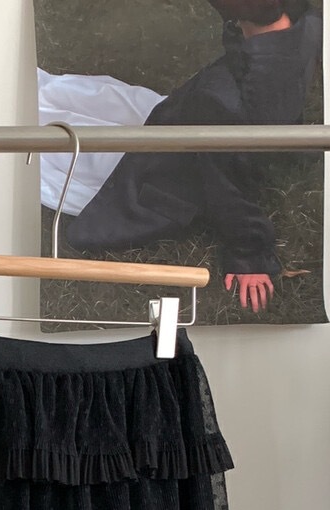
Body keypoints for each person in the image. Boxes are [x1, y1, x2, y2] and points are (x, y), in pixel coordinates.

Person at [39, 1, 322, 313]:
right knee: (93, 110)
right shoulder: (302, 24)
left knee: (60, 152)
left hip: (175, 167)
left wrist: (249, 254)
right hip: (188, 117)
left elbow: (225, 184)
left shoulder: (227, 103)